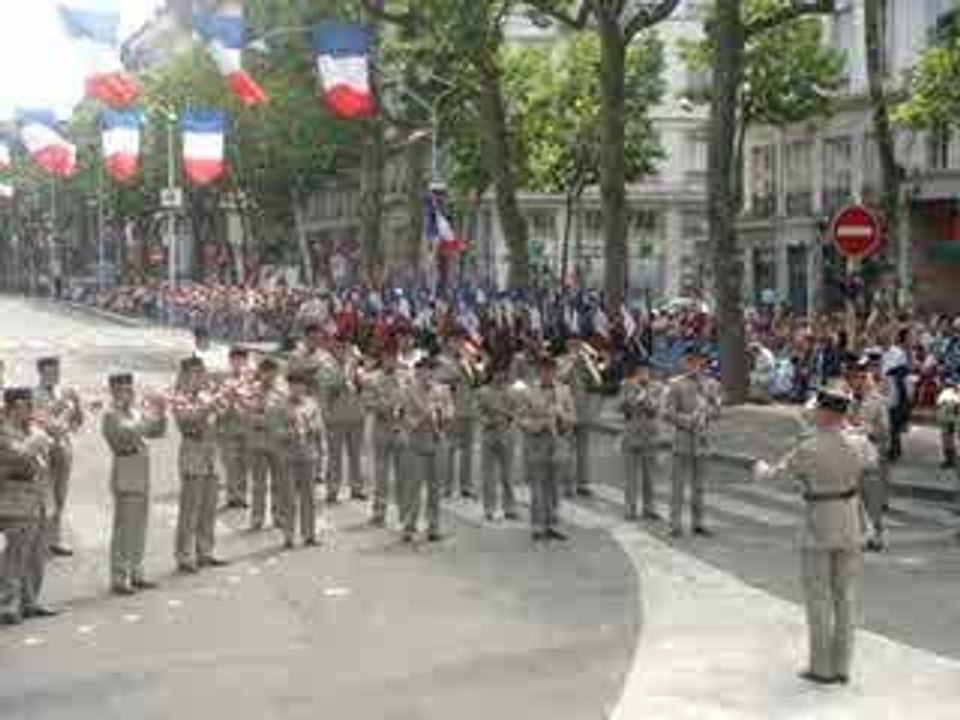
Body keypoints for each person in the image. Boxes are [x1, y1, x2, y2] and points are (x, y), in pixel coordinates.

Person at [756, 382, 875, 685]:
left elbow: (776, 476)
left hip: (819, 521)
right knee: (846, 597)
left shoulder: (809, 446)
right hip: (850, 519)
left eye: (818, 410)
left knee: (818, 598)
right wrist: (849, 430)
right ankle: (843, 666)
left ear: (823, 412)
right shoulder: (859, 442)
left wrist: (761, 468)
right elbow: (871, 462)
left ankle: (821, 667)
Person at [100, 373, 167, 595]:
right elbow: (128, 432)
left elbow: (157, 432)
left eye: (129, 389)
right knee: (124, 529)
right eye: (122, 390)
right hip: (126, 471)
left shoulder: (135, 412)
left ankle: (137, 571)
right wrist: (144, 416)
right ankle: (119, 577)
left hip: (141, 471)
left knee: (139, 527)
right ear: (113, 391)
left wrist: (161, 411)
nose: (128, 393)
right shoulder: (111, 414)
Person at [0, 388, 58, 623]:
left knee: (36, 553)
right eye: (28, 407)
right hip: (14, 497)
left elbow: (48, 453)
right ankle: (7, 604)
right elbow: (19, 455)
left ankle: (30, 600)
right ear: (15, 407)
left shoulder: (32, 430)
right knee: (16, 553)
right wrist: (37, 439)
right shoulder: (4, 431)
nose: (32, 411)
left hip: (36, 495)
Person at [172, 357, 227, 573]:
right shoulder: (179, 398)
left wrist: (229, 401)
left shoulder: (207, 395)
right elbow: (188, 419)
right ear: (184, 376)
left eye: (201, 373)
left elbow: (223, 417)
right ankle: (184, 555)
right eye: (195, 374)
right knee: (190, 510)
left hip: (211, 455)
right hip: (193, 454)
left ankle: (205, 551)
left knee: (209, 508)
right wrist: (212, 404)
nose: (200, 378)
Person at [515, 354, 575, 541]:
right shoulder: (528, 391)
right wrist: (535, 425)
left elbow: (574, 417)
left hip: (557, 444)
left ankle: (553, 524)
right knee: (538, 487)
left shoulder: (564, 390)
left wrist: (562, 416)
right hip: (537, 443)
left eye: (551, 370)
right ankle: (538, 526)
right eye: (544, 370)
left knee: (555, 487)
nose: (548, 374)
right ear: (538, 372)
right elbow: (520, 417)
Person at [663, 345, 720, 538]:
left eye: (699, 361)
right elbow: (667, 413)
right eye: (691, 361)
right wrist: (688, 419)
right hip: (682, 438)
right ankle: (675, 524)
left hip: (702, 439)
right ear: (685, 362)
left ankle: (698, 522)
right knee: (678, 485)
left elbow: (718, 411)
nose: (695, 364)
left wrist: (708, 413)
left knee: (699, 486)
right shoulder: (675, 384)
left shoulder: (711, 384)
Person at [34, 356, 83, 557]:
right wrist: (62, 405)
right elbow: (45, 423)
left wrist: (77, 403)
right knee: (47, 498)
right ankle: (42, 542)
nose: (54, 376)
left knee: (60, 497)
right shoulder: (35, 395)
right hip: (46, 454)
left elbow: (77, 423)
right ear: (41, 373)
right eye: (50, 372)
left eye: (57, 372)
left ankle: (55, 540)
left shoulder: (62, 393)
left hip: (64, 450)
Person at [399, 358, 446, 543]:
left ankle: (434, 526)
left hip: (435, 441)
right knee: (414, 486)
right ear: (418, 372)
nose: (429, 375)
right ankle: (409, 526)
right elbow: (401, 415)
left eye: (432, 371)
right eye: (425, 371)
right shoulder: (408, 391)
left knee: (435, 488)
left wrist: (439, 416)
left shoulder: (441, 390)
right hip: (416, 442)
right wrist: (417, 420)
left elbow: (449, 412)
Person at [848, 356, 891, 552]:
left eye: (858, 378)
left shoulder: (877, 400)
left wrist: (868, 431)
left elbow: (885, 430)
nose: (855, 382)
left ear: (865, 378)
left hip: (872, 455)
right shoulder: (847, 400)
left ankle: (877, 536)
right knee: (854, 498)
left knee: (872, 499)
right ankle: (862, 535)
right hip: (851, 454)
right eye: (852, 378)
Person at [277, 371, 324, 549]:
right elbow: (276, 431)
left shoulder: (312, 404)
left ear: (305, 387)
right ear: (289, 387)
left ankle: (309, 534)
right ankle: (288, 536)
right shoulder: (281, 406)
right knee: (289, 497)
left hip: (308, 454)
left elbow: (319, 426)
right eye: (293, 385)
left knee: (309, 497)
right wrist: (291, 432)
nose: (296, 388)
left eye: (300, 385)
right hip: (288, 455)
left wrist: (308, 427)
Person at [365, 348, 407, 528]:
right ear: (382, 358)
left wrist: (403, 408)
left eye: (394, 357)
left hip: (401, 429)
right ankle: (379, 512)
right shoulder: (373, 378)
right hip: (382, 429)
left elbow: (410, 398)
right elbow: (367, 402)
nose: (391, 361)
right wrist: (386, 406)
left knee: (403, 473)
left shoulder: (405, 377)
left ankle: (405, 511)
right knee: (381, 474)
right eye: (387, 357)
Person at [246, 358, 286, 531]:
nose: (270, 376)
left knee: (279, 482)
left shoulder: (282, 390)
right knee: (259, 484)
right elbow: (249, 416)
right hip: (258, 443)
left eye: (273, 372)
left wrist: (268, 417)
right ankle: (257, 518)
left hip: (278, 442)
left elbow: (286, 414)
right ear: (260, 373)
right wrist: (266, 417)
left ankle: (278, 516)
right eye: (266, 372)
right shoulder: (251, 390)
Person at [620, 359, 662, 521]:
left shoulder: (657, 387)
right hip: (631, 435)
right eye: (640, 371)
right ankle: (630, 509)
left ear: (650, 372)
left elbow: (655, 409)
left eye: (645, 371)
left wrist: (644, 397)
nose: (643, 374)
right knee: (630, 476)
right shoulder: (627, 385)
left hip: (650, 436)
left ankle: (649, 508)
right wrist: (633, 396)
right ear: (635, 372)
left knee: (649, 476)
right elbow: (620, 406)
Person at [476, 363, 518, 522]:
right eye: (496, 372)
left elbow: (517, 411)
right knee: (488, 475)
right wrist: (487, 421)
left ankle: (510, 507)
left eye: (503, 372)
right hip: (489, 434)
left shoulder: (512, 392)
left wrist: (510, 419)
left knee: (507, 475)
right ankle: (489, 508)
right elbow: (478, 411)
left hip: (507, 434)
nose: (500, 376)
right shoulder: (483, 392)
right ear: (491, 374)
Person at [217, 347, 253, 510]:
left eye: (242, 359)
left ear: (246, 361)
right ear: (230, 360)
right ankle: (232, 496)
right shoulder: (221, 379)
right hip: (227, 425)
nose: (238, 363)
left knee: (244, 463)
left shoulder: (252, 380)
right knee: (230, 462)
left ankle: (242, 496)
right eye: (235, 359)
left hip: (246, 425)